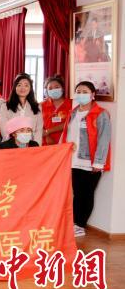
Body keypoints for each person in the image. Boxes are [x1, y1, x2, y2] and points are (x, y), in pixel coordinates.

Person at [60, 81, 111, 237]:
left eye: (85, 91)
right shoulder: (73, 112)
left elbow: (104, 139)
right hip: (73, 160)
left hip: (90, 162)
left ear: (92, 95)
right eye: (78, 91)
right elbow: (67, 134)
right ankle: (74, 223)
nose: (81, 94)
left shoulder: (101, 114)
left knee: (87, 194)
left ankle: (80, 224)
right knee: (77, 193)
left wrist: (99, 162)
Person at [0, 74, 43, 145]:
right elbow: (4, 128)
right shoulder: (5, 106)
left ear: (30, 88)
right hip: (11, 145)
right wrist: (11, 144)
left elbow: (39, 129)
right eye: (19, 85)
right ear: (15, 87)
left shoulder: (37, 106)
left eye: (26, 85)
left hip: (31, 145)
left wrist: (36, 146)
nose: (22, 88)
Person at [41, 75, 72, 145]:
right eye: (50, 88)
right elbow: (38, 124)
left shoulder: (72, 104)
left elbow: (71, 123)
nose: (53, 90)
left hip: (66, 143)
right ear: (47, 91)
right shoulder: (41, 105)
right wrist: (46, 135)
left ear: (62, 89)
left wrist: (48, 131)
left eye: (57, 87)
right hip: (46, 144)